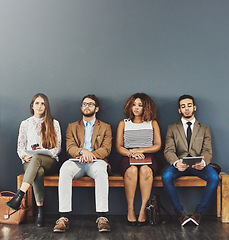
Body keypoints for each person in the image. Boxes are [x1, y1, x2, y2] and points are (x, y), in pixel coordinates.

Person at [53, 94, 112, 233]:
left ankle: (102, 217)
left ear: (96, 108)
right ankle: (63, 217)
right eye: (84, 104)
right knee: (65, 169)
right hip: (76, 161)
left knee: (101, 171)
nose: (87, 106)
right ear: (81, 107)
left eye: (90, 104)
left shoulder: (105, 127)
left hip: (97, 161)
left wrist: (90, 154)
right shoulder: (72, 126)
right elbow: (70, 147)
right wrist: (82, 152)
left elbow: (106, 149)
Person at [162, 94, 219, 226]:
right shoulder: (172, 128)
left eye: (189, 106)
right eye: (183, 106)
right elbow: (168, 150)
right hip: (179, 164)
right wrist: (176, 163)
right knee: (166, 176)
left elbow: (207, 151)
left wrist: (203, 162)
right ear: (179, 110)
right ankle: (180, 214)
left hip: (199, 165)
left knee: (214, 178)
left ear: (194, 107)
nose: (186, 109)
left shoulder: (204, 128)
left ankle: (198, 213)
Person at [6, 93, 61, 227]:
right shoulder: (25, 123)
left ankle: (20, 195)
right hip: (29, 161)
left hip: (49, 161)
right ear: (32, 106)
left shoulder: (54, 123)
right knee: (38, 171)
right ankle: (40, 211)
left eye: (43, 103)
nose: (40, 106)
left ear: (46, 106)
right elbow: (20, 147)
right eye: (37, 103)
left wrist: (44, 152)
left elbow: (57, 147)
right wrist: (24, 156)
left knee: (38, 159)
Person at [116, 93, 161, 226]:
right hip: (128, 156)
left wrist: (141, 150)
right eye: (134, 105)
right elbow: (119, 147)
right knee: (132, 171)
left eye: (140, 105)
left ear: (146, 107)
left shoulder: (152, 123)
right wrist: (131, 153)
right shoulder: (123, 123)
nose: (136, 108)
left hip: (148, 155)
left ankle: (143, 210)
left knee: (146, 171)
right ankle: (130, 209)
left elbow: (158, 145)